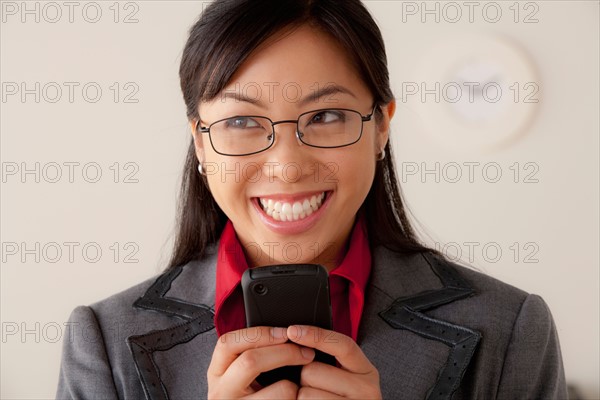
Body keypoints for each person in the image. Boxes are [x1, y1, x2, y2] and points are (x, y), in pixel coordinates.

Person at [56, 0, 568, 399]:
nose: (287, 166)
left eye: (325, 116)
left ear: (381, 126)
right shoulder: (103, 340)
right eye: (240, 121)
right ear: (200, 141)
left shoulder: (510, 328)